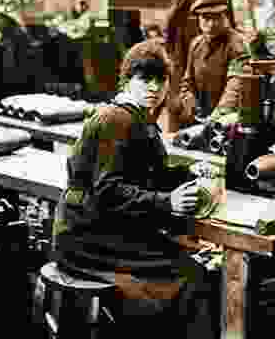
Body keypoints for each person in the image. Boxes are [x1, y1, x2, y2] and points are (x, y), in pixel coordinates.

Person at [51, 39, 214, 338]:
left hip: (103, 227)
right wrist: (167, 203)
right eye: (145, 79)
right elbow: (109, 190)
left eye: (160, 80)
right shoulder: (117, 118)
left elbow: (147, 172)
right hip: (86, 237)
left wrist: (187, 173)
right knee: (192, 273)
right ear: (127, 80)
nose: (154, 88)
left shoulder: (139, 118)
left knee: (192, 257)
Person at [171, 0, 249, 124]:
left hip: (227, 121)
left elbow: (235, 86)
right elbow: (188, 82)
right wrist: (189, 99)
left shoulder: (237, 44)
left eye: (217, 18)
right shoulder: (196, 44)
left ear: (226, 17)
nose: (211, 24)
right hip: (201, 119)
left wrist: (216, 117)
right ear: (198, 19)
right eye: (206, 18)